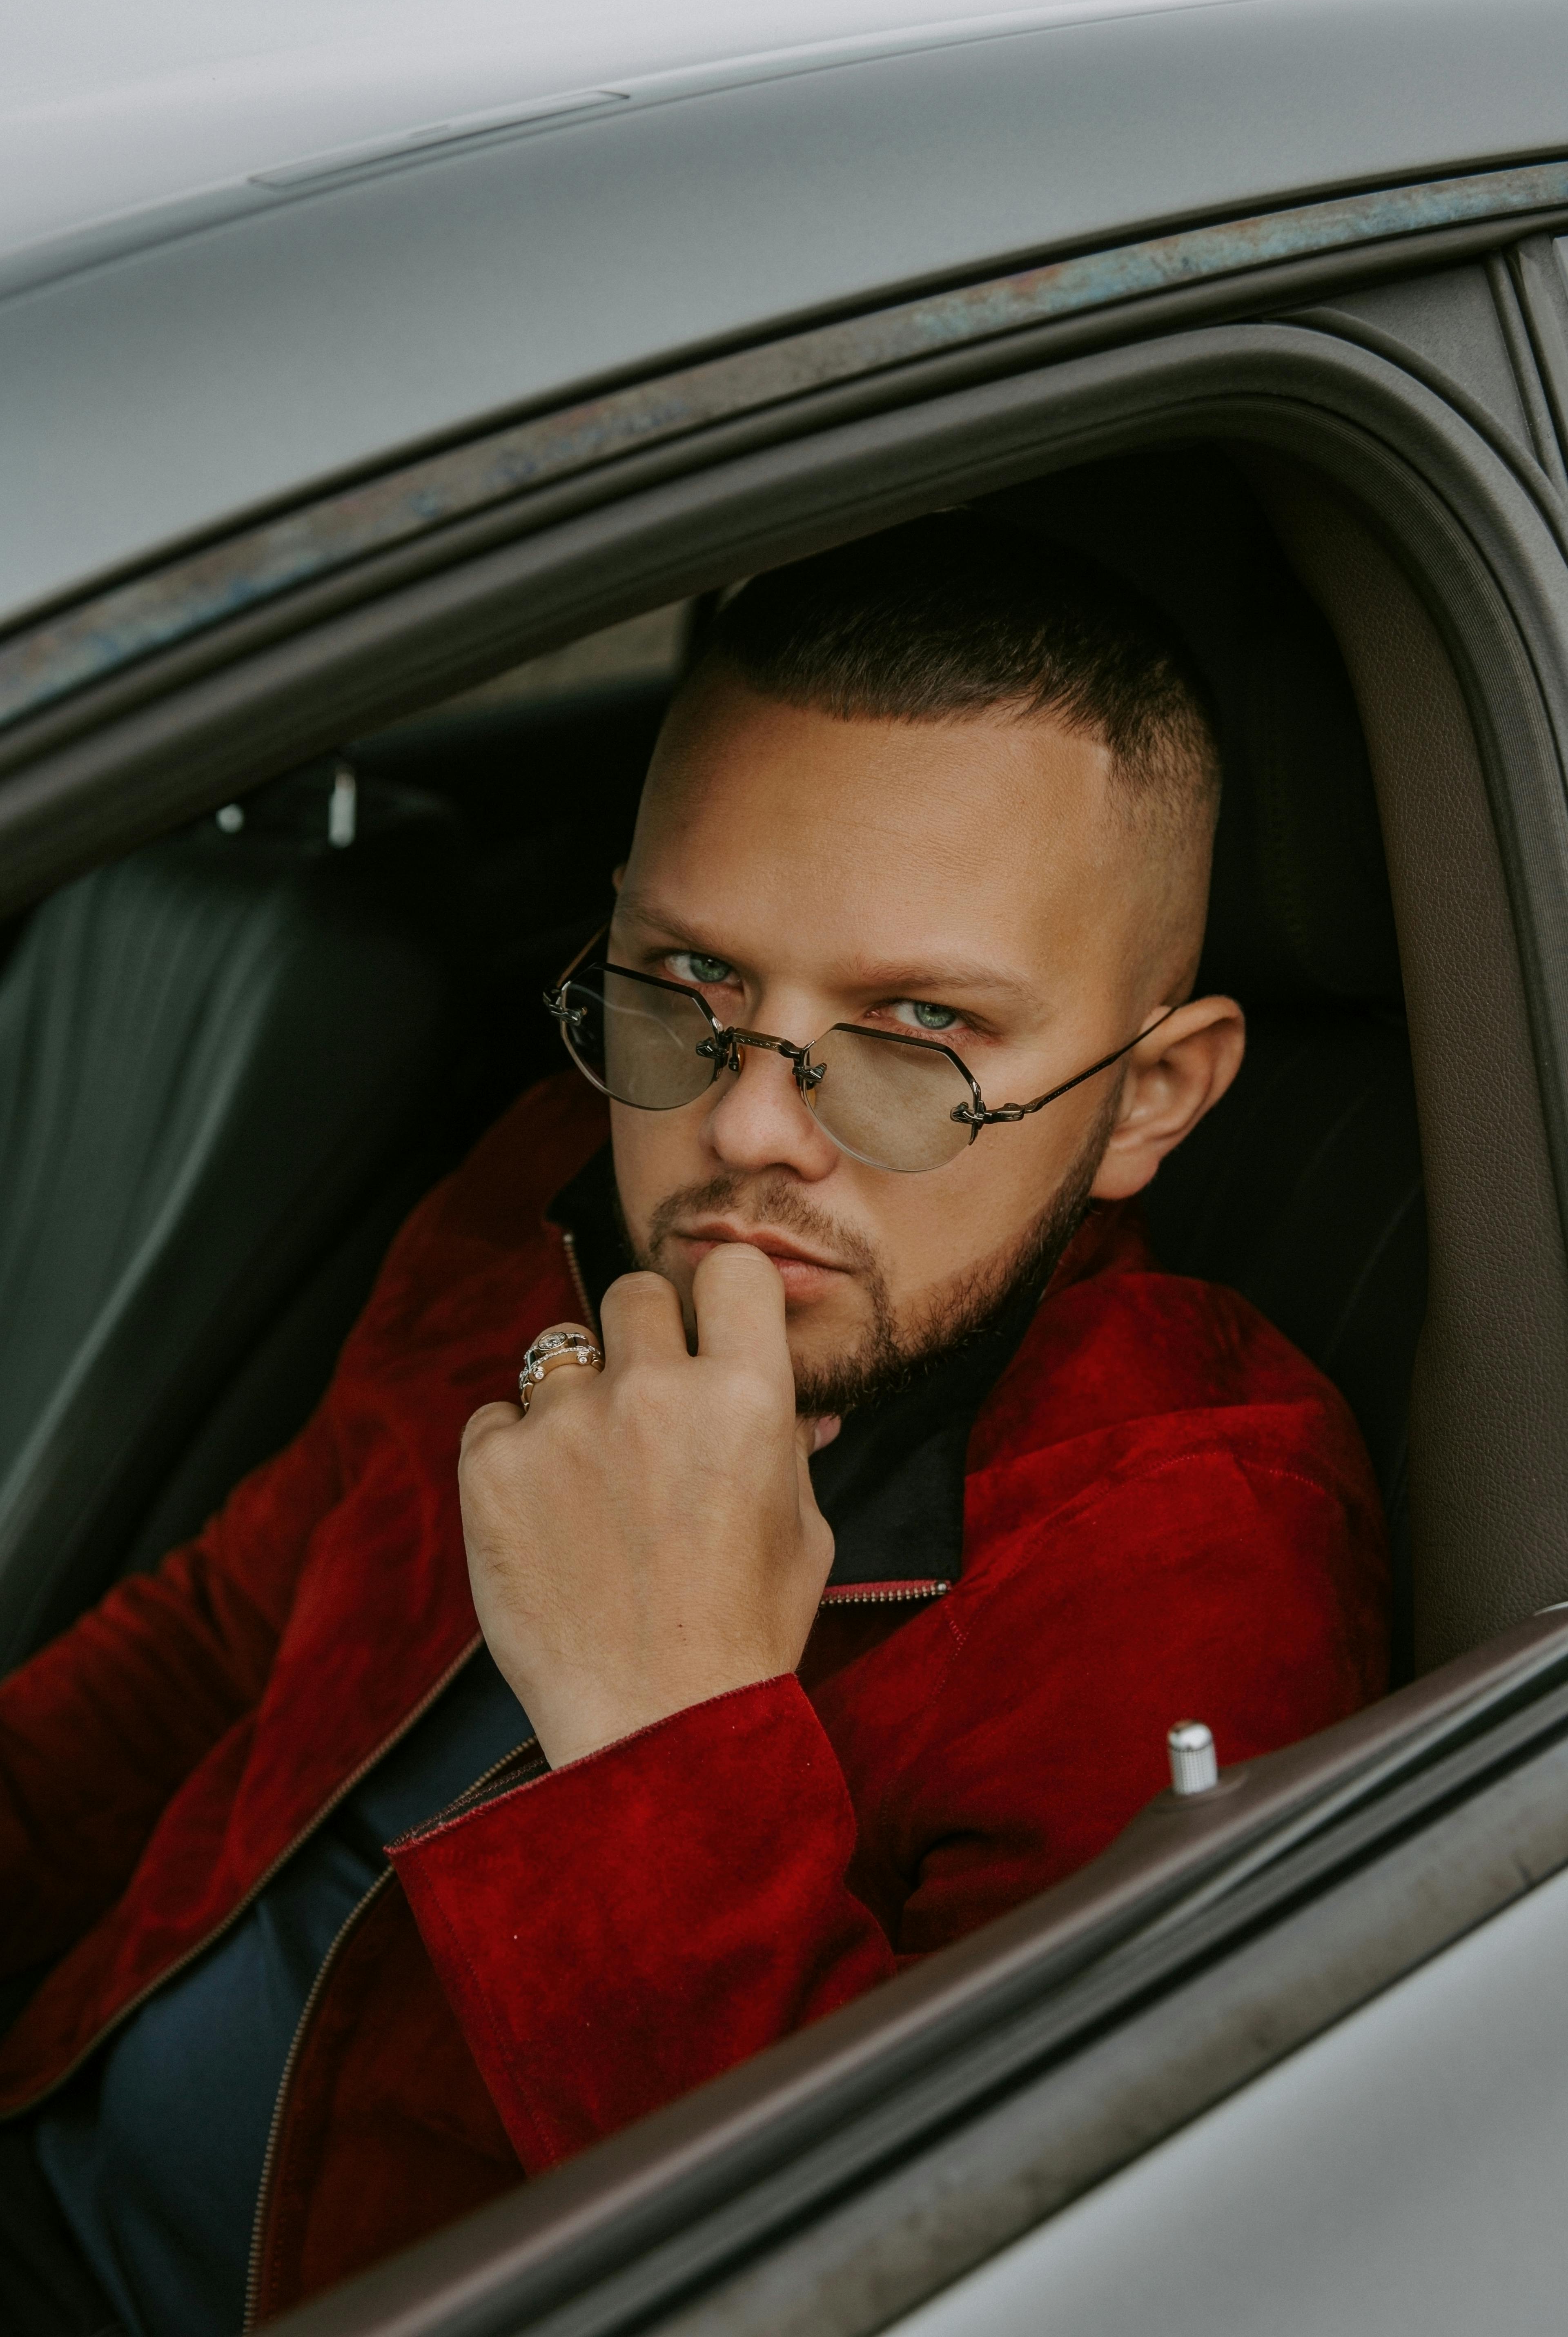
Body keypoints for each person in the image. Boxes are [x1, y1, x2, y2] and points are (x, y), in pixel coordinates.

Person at [0, 517, 1388, 2337]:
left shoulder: (1172, 1554)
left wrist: (662, 1728)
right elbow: (210, 1653)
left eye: (915, 1032)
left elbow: (950, 2276)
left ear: (1147, 1101)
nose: (743, 1130)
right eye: (689, 989)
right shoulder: (544, 1202)